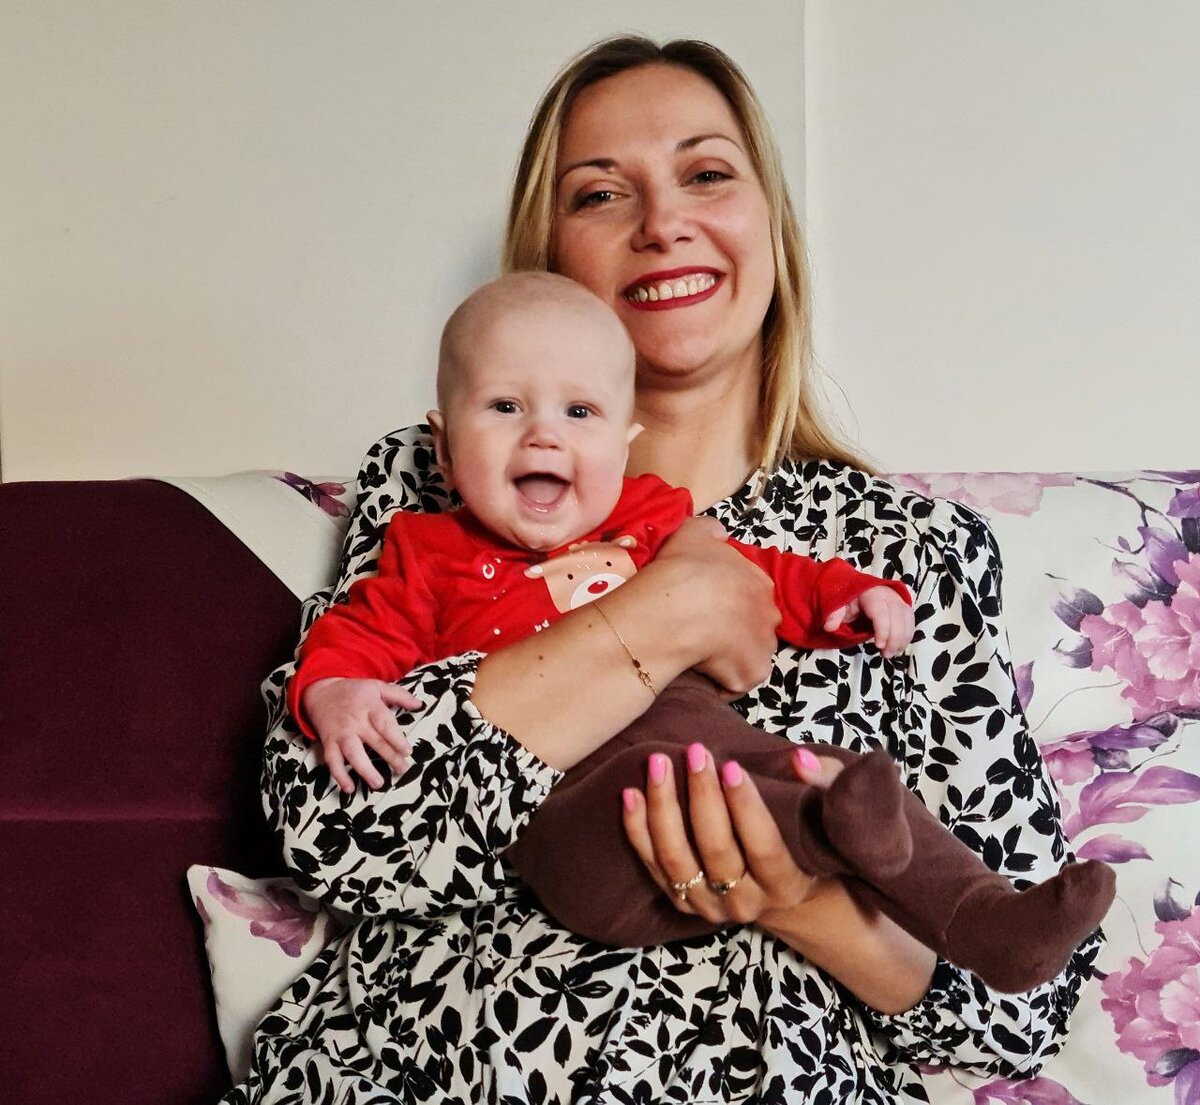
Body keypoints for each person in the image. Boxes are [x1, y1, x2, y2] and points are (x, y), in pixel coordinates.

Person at [226, 36, 1104, 1105]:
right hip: (452, 1060)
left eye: (707, 174)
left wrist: (794, 901)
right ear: (548, 255)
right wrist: (661, 616)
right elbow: (335, 829)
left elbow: (1020, 1009)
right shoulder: (437, 479)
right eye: (601, 193)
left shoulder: (907, 549)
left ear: (771, 225)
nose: (662, 223)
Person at [287, 271, 1113, 993]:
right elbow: (361, 631)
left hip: (707, 755)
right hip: (570, 813)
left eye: (579, 411)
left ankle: (987, 921)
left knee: (830, 775)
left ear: (623, 443)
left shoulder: (652, 519)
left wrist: (849, 594)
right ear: (442, 445)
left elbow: (767, 576)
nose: (543, 433)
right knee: (649, 800)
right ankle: (824, 829)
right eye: (505, 407)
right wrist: (333, 688)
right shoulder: (425, 548)